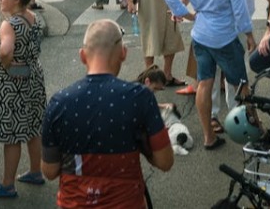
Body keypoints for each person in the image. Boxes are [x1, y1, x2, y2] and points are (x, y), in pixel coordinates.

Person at [41, 19, 174, 205]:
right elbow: (165, 161)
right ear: (123, 53)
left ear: (82, 56)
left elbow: (49, 171)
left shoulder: (59, 102)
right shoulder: (140, 98)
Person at [163, 0, 255, 148]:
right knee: (241, 83)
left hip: (201, 33)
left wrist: (186, 14)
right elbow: (240, 9)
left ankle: (208, 135)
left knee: (204, 83)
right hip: (225, 34)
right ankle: (252, 127)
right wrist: (249, 33)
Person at [0, 0, 48, 199]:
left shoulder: (9, 25)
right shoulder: (32, 17)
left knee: (12, 135)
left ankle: (7, 184)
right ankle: (35, 171)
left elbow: (6, 51)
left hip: (13, 84)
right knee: (32, 127)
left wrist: (5, 66)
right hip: (33, 78)